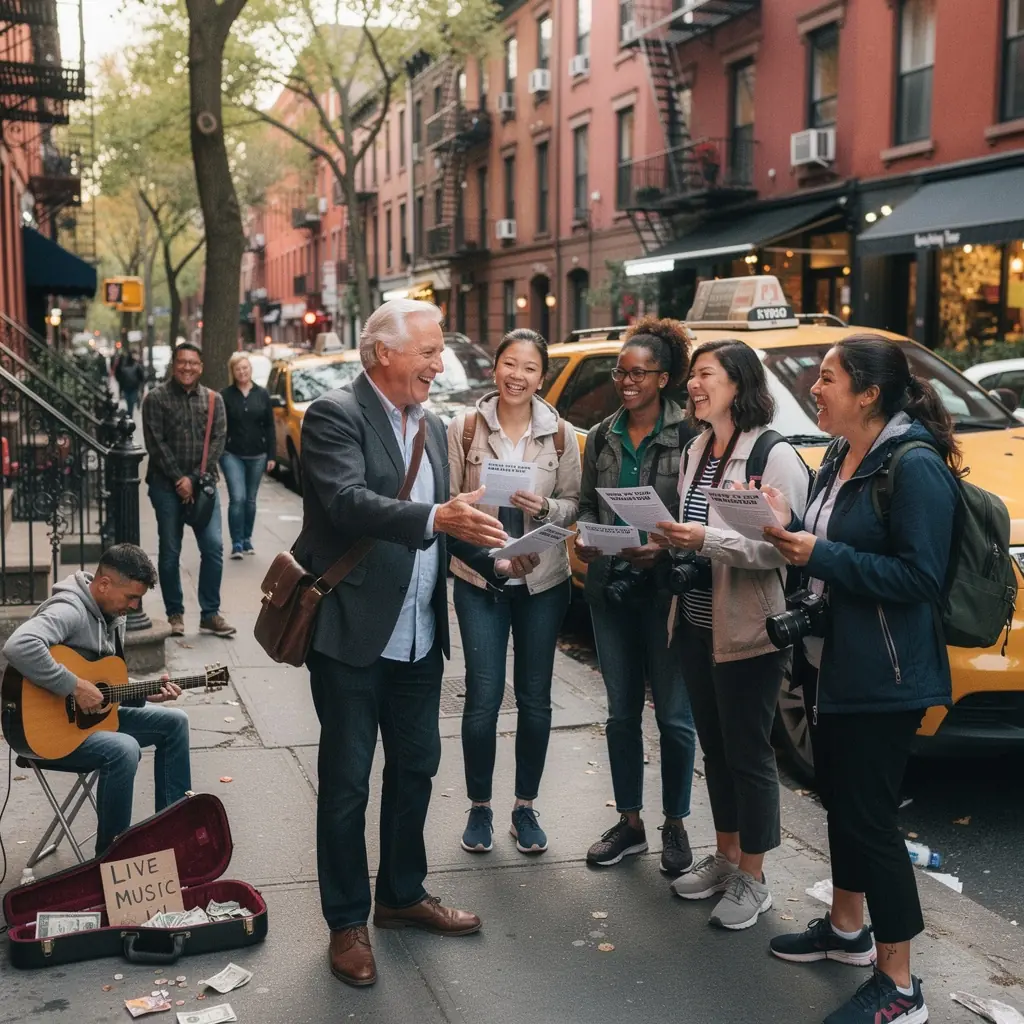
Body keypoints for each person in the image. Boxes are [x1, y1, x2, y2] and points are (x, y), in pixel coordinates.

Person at [298, 298, 523, 988]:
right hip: (353, 636)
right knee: (344, 786)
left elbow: (447, 525)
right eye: (427, 351)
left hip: (422, 636)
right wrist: (435, 514)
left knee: (417, 768)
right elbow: (346, 502)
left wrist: (501, 557)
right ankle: (345, 923)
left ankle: (399, 896)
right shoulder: (333, 415)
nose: (440, 363)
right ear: (382, 354)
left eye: (439, 351)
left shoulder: (433, 425)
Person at [762, 335, 958, 1024]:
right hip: (831, 660)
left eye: (826, 378)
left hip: (887, 674)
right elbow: (824, 551)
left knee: (871, 820)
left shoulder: (914, 467)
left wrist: (824, 554)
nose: (815, 389)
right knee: (840, 801)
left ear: (868, 392)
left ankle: (900, 985)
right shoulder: (840, 456)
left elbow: (920, 577)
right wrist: (784, 531)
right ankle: (847, 930)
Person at [650, 340, 810, 929]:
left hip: (748, 628)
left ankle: (755, 877)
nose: (692, 385)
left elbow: (780, 552)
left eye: (705, 375)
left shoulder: (775, 456)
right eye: (692, 376)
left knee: (749, 754)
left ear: (738, 385)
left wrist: (704, 541)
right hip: (695, 624)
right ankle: (725, 855)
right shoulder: (697, 447)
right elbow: (699, 529)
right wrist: (669, 536)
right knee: (715, 750)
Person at [448, 329, 581, 857]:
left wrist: (545, 509)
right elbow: (447, 506)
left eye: (529, 367)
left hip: (542, 582)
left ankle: (525, 807)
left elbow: (575, 502)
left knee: (535, 699)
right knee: (482, 699)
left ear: (541, 377)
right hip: (480, 580)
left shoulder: (563, 435)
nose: (517, 375)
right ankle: (479, 807)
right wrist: (480, 528)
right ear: (495, 368)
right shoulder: (462, 428)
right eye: (509, 363)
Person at [573, 316, 698, 877]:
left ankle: (675, 823)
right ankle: (630, 822)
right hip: (610, 588)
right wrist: (584, 537)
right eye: (620, 372)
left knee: (674, 717)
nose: (626, 381)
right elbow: (583, 504)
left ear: (665, 378)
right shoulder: (602, 435)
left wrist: (663, 548)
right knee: (620, 713)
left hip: (666, 588)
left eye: (638, 373)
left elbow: (702, 515)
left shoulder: (691, 434)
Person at [1, 544, 190, 856]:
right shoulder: (70, 610)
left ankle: (173, 835)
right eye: (131, 597)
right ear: (104, 584)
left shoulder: (112, 614)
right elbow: (19, 645)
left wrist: (144, 691)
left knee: (175, 722)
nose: (134, 604)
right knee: (123, 749)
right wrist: (73, 686)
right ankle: (112, 861)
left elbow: (102, 680)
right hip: (43, 733)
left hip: (88, 725)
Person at [142, 342, 235, 638]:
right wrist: (178, 479)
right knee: (170, 552)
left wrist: (193, 479)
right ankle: (175, 614)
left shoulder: (213, 400)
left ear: (201, 367)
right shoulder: (155, 399)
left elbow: (218, 441)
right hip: (164, 487)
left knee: (214, 548)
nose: (187, 368)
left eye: (193, 363)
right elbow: (155, 444)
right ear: (173, 365)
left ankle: (210, 613)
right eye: (182, 362)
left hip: (203, 486)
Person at [221, 352, 276, 559]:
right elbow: (220, 426)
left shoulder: (262, 394)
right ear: (233, 372)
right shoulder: (225, 395)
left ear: (250, 369)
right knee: (238, 498)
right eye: (238, 369)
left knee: (250, 500)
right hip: (231, 454)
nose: (242, 372)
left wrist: (271, 455)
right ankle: (236, 543)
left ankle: (246, 540)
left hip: (257, 455)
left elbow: (270, 426)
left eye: (245, 368)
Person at [115, 349, 146, 417]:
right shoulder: (136, 365)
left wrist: (120, 391)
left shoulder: (125, 367)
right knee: (130, 403)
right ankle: (130, 414)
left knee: (129, 403)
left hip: (129, 388)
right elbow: (142, 378)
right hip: (133, 387)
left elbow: (121, 380)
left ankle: (130, 414)